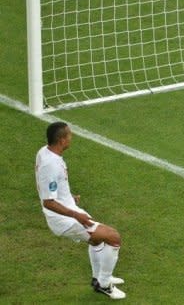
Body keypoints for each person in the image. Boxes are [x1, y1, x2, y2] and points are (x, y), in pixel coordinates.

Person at [35, 122, 126, 299]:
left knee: (97, 241)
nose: (71, 137)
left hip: (67, 208)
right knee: (113, 238)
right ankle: (105, 284)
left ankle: (98, 278)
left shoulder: (44, 152)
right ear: (61, 140)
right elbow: (48, 202)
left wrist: (68, 197)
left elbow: (50, 187)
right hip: (63, 219)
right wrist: (76, 214)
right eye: (69, 135)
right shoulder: (51, 164)